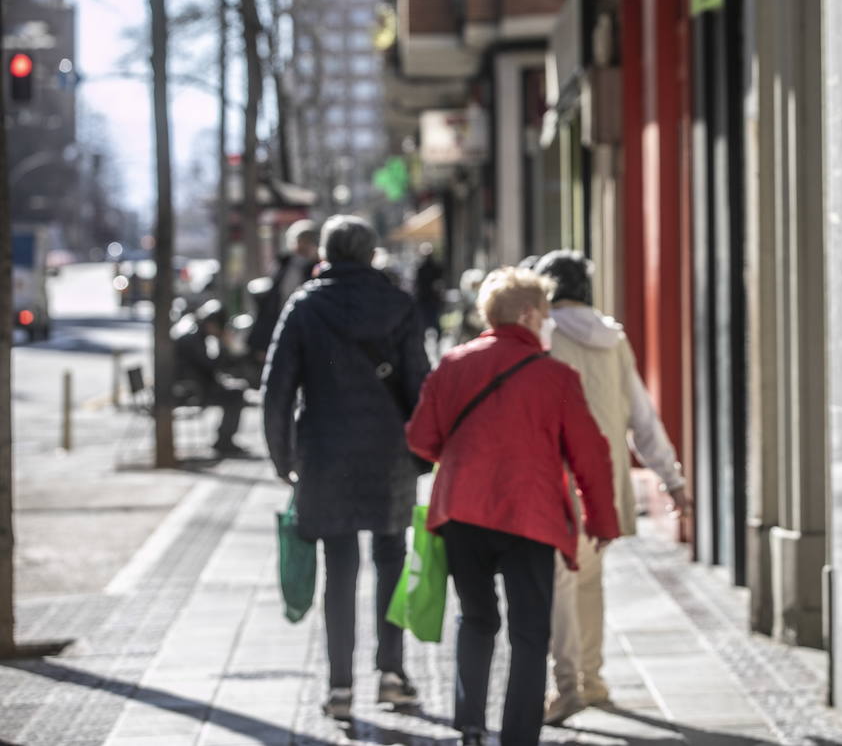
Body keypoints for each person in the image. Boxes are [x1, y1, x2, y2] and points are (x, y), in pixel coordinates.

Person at [407, 266, 620, 746]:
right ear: (527, 314)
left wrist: (468, 460)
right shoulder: (555, 376)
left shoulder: (454, 364)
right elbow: (591, 454)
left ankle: (471, 727)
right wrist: (602, 520)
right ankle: (519, 737)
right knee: (529, 632)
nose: (548, 322)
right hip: (531, 515)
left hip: (463, 512)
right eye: (545, 313)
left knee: (477, 618)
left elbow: (421, 438)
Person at [262, 215, 431, 722]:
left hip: (325, 452)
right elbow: (420, 386)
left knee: (340, 567)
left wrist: (282, 457)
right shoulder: (398, 305)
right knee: (391, 558)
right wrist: (423, 454)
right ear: (371, 252)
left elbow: (277, 389)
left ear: (327, 254)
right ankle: (392, 673)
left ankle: (339, 687)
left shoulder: (305, 306)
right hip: (389, 453)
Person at [533, 249, 690, 722]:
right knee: (589, 579)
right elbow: (643, 416)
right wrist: (672, 479)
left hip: (557, 475)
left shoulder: (542, 334)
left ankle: (566, 686)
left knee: (560, 581)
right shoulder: (613, 338)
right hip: (606, 479)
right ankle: (592, 678)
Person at [170, 299, 250, 458]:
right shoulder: (192, 335)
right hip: (190, 391)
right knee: (236, 394)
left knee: (235, 390)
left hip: (188, 385)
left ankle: (224, 439)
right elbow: (209, 366)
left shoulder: (192, 329)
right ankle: (225, 440)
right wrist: (224, 345)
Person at [248, 218, 319, 364]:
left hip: (308, 330)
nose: (301, 246)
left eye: (306, 241)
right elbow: (271, 304)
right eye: (299, 240)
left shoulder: (318, 267)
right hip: (282, 324)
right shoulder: (283, 264)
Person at [412, 242, 445, 344]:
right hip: (426, 299)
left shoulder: (431, 268)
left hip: (429, 299)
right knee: (426, 323)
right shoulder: (423, 268)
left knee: (430, 322)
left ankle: (434, 341)